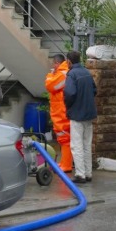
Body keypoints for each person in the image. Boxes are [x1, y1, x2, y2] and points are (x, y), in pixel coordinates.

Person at [63, 50, 97, 184]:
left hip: (77, 114)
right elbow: (94, 90)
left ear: (69, 61)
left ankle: (80, 174)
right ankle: (88, 173)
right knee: (87, 144)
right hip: (89, 114)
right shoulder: (86, 72)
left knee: (76, 145)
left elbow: (69, 93)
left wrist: (69, 106)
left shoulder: (72, 74)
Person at [45, 54, 73, 173]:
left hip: (61, 111)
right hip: (60, 109)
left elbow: (50, 86)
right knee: (63, 138)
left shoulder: (62, 73)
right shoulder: (63, 73)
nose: (53, 66)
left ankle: (66, 165)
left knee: (64, 138)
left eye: (54, 64)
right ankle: (64, 163)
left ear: (57, 63)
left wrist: (50, 75)